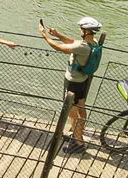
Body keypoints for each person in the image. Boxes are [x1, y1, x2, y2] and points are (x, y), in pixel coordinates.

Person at [40, 17, 104, 153]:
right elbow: (74, 43)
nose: (79, 30)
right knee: (81, 107)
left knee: (71, 111)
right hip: (83, 80)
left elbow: (57, 47)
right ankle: (78, 132)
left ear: (86, 31)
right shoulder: (93, 43)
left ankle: (78, 142)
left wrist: (44, 35)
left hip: (73, 82)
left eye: (81, 28)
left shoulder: (82, 47)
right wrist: (57, 35)